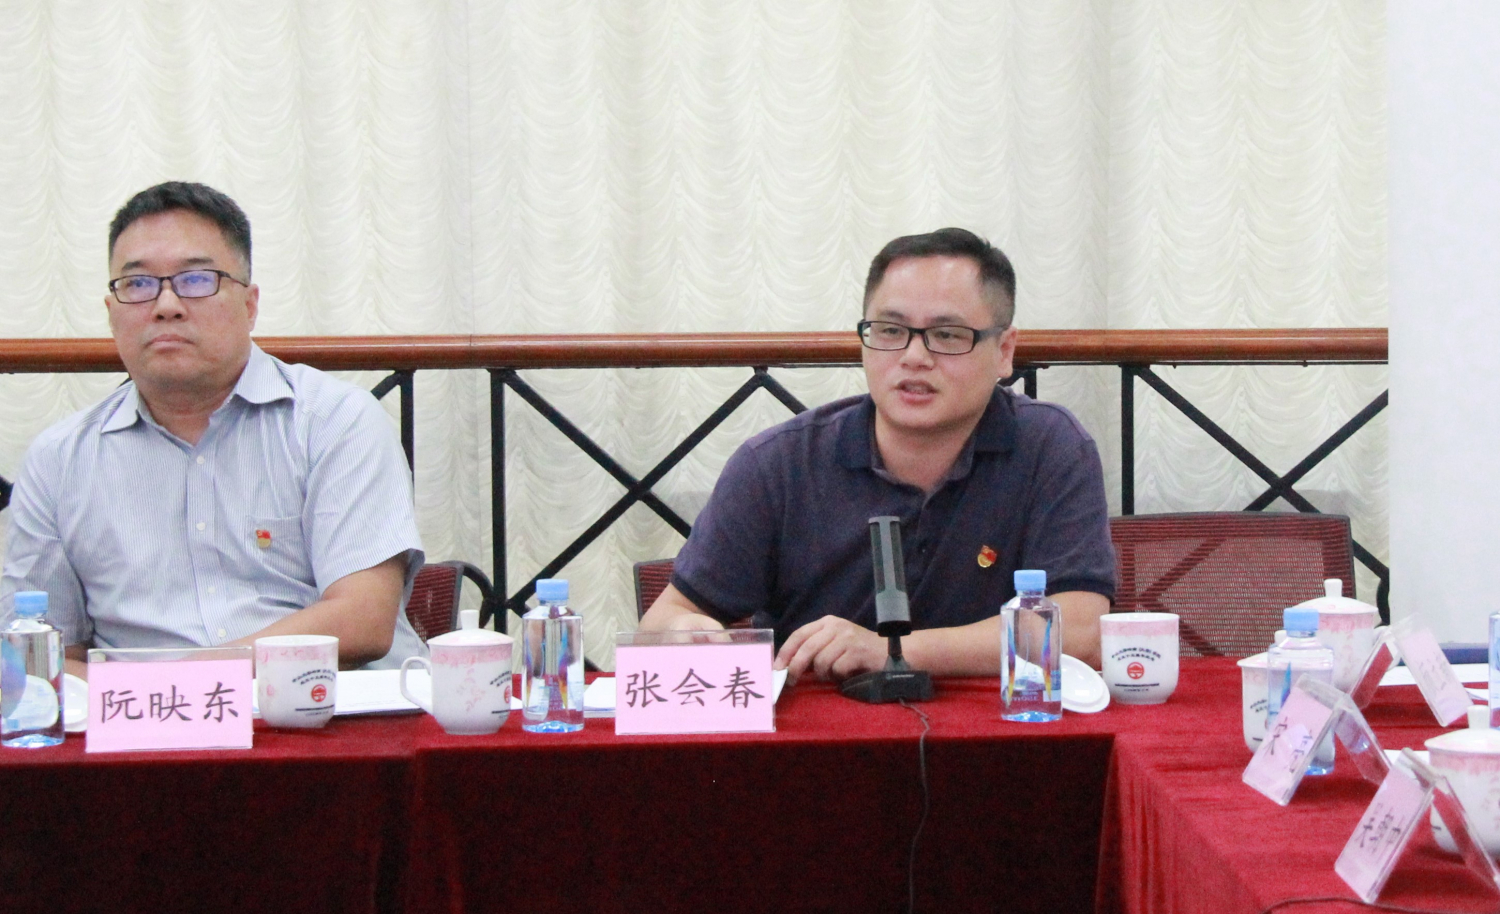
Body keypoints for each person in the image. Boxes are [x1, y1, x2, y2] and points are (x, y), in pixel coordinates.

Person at [640, 227, 1115, 682]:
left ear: (1004, 351)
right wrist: (685, 633)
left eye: (948, 335)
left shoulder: (1051, 448)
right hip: (823, 728)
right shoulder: (778, 465)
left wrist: (892, 651)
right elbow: (663, 623)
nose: (914, 357)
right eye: (890, 330)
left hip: (1001, 726)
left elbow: (1080, 630)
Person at [1, 181, 426, 673]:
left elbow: (362, 619)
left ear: (250, 304)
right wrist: (153, 700)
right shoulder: (59, 460)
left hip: (326, 706)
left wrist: (183, 686)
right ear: (111, 314)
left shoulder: (335, 421)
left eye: (197, 279)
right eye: (137, 284)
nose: (166, 305)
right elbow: (40, 655)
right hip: (143, 717)